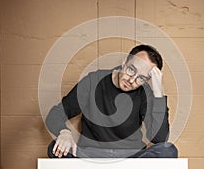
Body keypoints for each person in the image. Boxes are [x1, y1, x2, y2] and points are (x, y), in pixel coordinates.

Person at [45, 44, 178, 158]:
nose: (131, 80)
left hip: (130, 157)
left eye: (141, 78)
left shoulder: (145, 92)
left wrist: (158, 92)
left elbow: (159, 138)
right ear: (124, 62)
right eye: (131, 70)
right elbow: (55, 114)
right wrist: (64, 133)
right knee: (55, 148)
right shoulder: (93, 81)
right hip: (91, 155)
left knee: (168, 150)